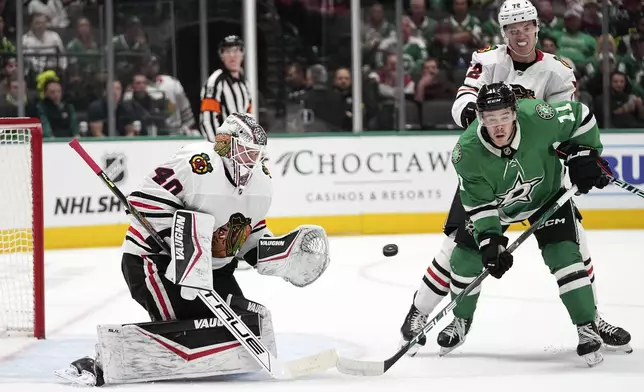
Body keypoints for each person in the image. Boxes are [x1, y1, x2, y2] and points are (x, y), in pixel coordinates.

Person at [398, 0, 631, 355]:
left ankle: (591, 318)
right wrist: (490, 131)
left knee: (573, 246)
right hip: (489, 170)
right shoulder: (488, 61)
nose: (519, 35)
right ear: (503, 32)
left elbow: (566, 125)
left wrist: (584, 155)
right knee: (454, 251)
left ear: (537, 28)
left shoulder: (557, 70)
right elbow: (463, 103)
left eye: (525, 27)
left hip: (538, 170)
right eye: (512, 29)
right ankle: (421, 314)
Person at [55, 113, 330, 386]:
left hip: (214, 271)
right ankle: (97, 363)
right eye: (245, 152)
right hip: (156, 264)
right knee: (190, 331)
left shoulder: (262, 182)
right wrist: (187, 248)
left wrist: (278, 255)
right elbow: (143, 203)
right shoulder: (195, 164)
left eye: (256, 154)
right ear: (225, 144)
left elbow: (249, 232)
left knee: (239, 335)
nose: (251, 161)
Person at [438, 82, 613, 366]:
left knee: (565, 256)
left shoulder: (539, 116)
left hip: (547, 196)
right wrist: (490, 241)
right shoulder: (466, 152)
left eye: (504, 116)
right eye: (491, 119)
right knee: (464, 259)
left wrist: (586, 153)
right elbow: (480, 205)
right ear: (480, 118)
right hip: (499, 207)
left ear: (515, 113)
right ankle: (460, 320)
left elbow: (582, 116)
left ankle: (586, 326)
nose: (499, 127)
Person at [199, 35, 252, 142]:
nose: (232, 56)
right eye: (227, 51)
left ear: (242, 54)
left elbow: (248, 117)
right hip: (223, 147)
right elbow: (207, 120)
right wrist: (221, 150)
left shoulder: (245, 83)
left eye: (236, 51)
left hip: (241, 147)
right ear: (221, 55)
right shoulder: (215, 81)